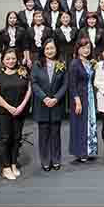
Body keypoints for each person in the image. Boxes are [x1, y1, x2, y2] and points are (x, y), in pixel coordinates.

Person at [0, 48, 32, 179]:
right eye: (7, 59)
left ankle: (13, 163)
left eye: (13, 58)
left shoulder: (22, 71)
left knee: (16, 138)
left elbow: (29, 89)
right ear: (3, 59)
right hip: (2, 112)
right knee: (5, 138)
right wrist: (9, 108)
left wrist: (21, 106)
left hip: (19, 110)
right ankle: (6, 167)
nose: (11, 61)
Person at [31, 38, 68, 171]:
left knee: (55, 134)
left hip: (56, 104)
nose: (49, 51)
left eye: (52, 48)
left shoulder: (62, 64)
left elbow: (65, 84)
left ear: (56, 49)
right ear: (43, 50)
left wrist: (56, 98)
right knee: (43, 135)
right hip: (42, 105)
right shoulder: (37, 64)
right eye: (47, 48)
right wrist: (45, 98)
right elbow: (34, 83)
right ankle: (45, 160)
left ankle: (56, 159)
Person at [68, 38, 98, 163]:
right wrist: (77, 101)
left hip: (89, 96)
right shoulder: (75, 63)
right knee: (80, 124)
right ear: (78, 49)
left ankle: (90, 150)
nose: (86, 50)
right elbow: (72, 84)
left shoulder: (90, 62)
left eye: (88, 48)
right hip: (79, 97)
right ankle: (80, 152)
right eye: (83, 48)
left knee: (90, 123)